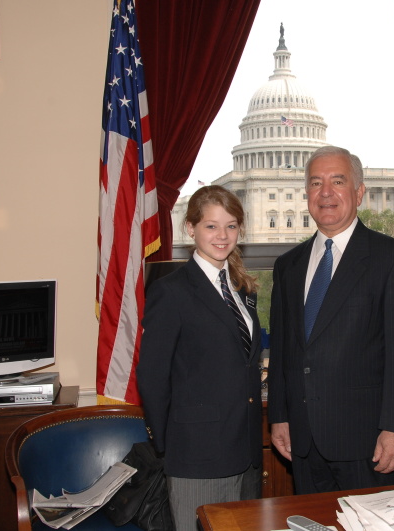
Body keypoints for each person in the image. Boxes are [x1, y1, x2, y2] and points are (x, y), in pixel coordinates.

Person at [267, 145, 394, 494]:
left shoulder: (393, 259)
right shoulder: (288, 266)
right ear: (307, 193)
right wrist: (279, 416)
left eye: (337, 181)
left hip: (369, 442)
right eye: (315, 183)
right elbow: (282, 351)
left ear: (358, 192)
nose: (325, 192)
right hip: (303, 442)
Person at [137, 185, 263, 530]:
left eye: (232, 225)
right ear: (190, 228)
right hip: (198, 454)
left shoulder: (241, 289)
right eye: (211, 226)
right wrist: (171, 445)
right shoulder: (171, 291)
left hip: (247, 451)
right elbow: (151, 376)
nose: (222, 236)